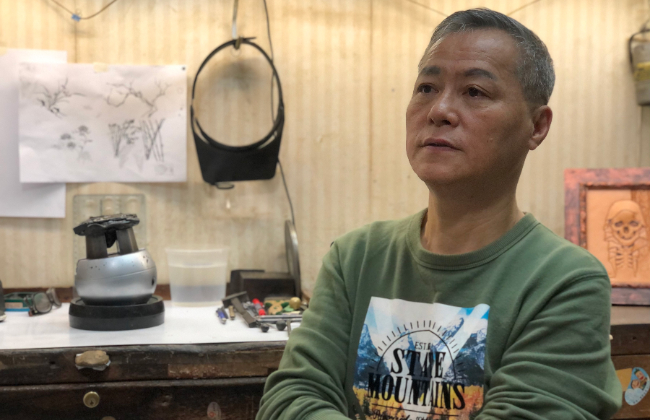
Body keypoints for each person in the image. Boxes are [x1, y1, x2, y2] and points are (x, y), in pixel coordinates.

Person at [257, 8, 622, 420]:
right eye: (426, 88)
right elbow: (291, 397)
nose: (439, 110)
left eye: (475, 92)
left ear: (536, 126)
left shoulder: (564, 282)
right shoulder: (355, 259)